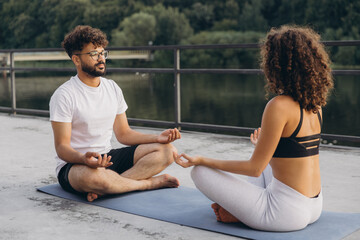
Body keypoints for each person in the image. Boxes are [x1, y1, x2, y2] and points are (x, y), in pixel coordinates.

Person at [174, 25, 334, 232]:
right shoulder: (316, 104)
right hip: (314, 206)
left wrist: (203, 159)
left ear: (276, 65)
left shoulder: (278, 106)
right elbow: (295, 153)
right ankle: (243, 209)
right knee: (264, 160)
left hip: (284, 214)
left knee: (200, 172)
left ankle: (240, 213)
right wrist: (264, 145)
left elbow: (254, 169)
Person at [50, 25, 181, 202]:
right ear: (76, 60)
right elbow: (62, 148)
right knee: (94, 178)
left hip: (107, 157)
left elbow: (124, 134)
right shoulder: (64, 95)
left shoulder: (112, 88)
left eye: (103, 52)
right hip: (76, 166)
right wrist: (84, 159)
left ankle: (110, 187)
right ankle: (148, 183)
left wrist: (157, 138)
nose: (101, 58)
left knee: (167, 151)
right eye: (94, 54)